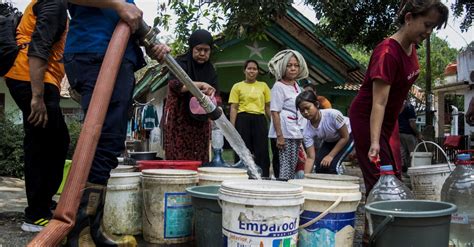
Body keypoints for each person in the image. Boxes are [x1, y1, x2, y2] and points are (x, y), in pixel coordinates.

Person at [63, 0, 170, 244]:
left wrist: (152, 44)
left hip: (116, 56)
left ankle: (91, 227)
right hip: (96, 53)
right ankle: (79, 230)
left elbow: (131, 20)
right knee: (102, 142)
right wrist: (116, 5)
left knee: (109, 145)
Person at [350, 0, 448, 195]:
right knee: (381, 181)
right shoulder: (387, 53)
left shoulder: (411, 47)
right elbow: (379, 102)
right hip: (369, 119)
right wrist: (374, 142)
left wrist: (399, 105)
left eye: (433, 28)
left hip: (389, 120)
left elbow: (399, 89)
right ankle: (377, 224)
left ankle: (389, 223)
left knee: (394, 175)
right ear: (409, 18)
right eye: (427, 25)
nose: (429, 32)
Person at [3, 0, 69, 232]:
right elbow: (39, 45)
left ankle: (42, 202)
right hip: (30, 79)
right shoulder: (54, 3)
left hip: (33, 78)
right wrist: (37, 96)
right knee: (44, 144)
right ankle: (35, 215)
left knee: (55, 141)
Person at [163, 29, 217, 162]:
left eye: (206, 50)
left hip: (200, 124)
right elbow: (176, 86)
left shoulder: (210, 70)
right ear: (192, 48)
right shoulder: (180, 63)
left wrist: (211, 94)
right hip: (179, 121)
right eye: (199, 49)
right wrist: (200, 85)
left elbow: (216, 94)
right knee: (179, 159)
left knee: (199, 160)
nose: (202, 53)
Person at [268, 49, 309, 180]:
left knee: (292, 167)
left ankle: (288, 193)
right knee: (284, 167)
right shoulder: (278, 86)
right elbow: (275, 112)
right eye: (289, 65)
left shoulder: (297, 86)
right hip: (284, 134)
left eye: (296, 65)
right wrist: (280, 136)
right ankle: (281, 192)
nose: (293, 68)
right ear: (283, 67)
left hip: (295, 132)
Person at [229, 60, 271, 177]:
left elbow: (267, 106)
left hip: (260, 119)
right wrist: (232, 127)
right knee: (242, 149)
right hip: (242, 119)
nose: (251, 71)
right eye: (249, 68)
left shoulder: (263, 86)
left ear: (257, 71)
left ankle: (263, 176)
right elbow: (234, 107)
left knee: (261, 150)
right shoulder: (237, 86)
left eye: (254, 69)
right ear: (244, 70)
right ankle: (241, 176)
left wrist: (273, 123)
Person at [297, 91, 353, 174]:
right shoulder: (306, 130)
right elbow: (310, 158)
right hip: (330, 140)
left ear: (316, 104)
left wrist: (330, 156)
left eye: (307, 108)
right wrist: (305, 179)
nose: (305, 112)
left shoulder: (334, 115)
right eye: (302, 110)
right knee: (319, 167)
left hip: (348, 135)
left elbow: (345, 137)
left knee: (333, 167)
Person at [398, 99, 422, 173]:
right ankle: (414, 172)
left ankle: (404, 171)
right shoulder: (409, 107)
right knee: (414, 154)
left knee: (403, 154)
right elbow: (412, 123)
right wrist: (418, 133)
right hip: (409, 134)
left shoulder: (397, 106)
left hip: (399, 133)